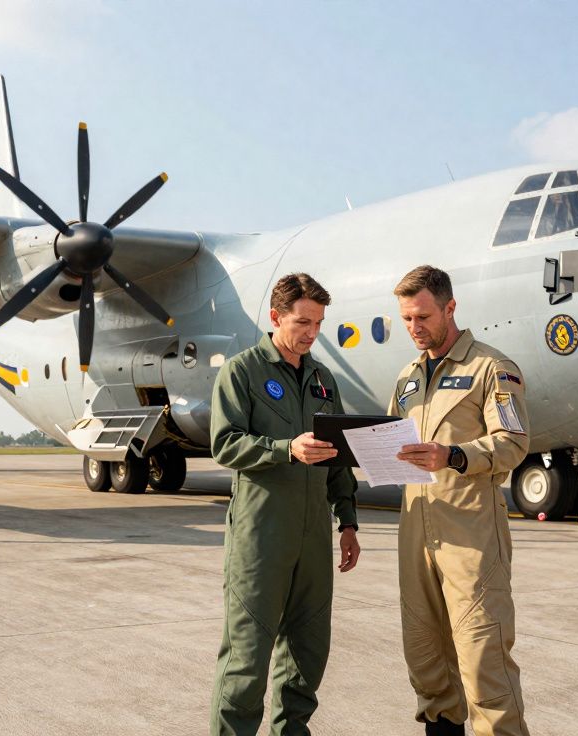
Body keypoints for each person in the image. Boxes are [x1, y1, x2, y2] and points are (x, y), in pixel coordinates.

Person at [209, 272, 361, 735]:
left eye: (318, 323)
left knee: (306, 659)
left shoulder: (322, 378)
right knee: (245, 666)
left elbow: (338, 460)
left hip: (312, 542)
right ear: (276, 317)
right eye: (302, 322)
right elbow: (225, 443)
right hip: (261, 541)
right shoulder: (242, 371)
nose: (311, 333)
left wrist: (348, 523)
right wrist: (284, 449)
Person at [387, 265, 531, 736]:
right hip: (416, 537)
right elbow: (390, 440)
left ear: (450, 308)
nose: (415, 328)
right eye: (407, 319)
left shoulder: (492, 368)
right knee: (426, 661)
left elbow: (512, 442)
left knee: (483, 662)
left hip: (470, 539)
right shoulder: (407, 378)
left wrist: (453, 455)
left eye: (423, 316)